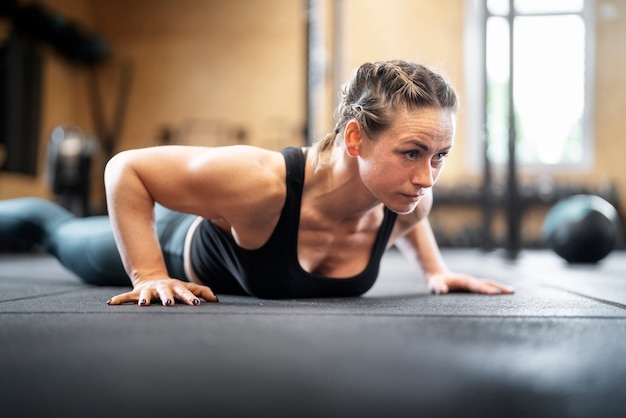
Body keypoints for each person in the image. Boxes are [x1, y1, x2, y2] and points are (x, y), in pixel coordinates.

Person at [0, 60, 513, 306]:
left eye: (440, 157)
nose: (426, 178)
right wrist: (148, 273)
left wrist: (436, 271)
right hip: (171, 238)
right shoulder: (263, 182)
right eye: (411, 153)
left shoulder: (409, 201)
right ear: (355, 139)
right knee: (52, 229)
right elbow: (124, 169)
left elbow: (415, 218)